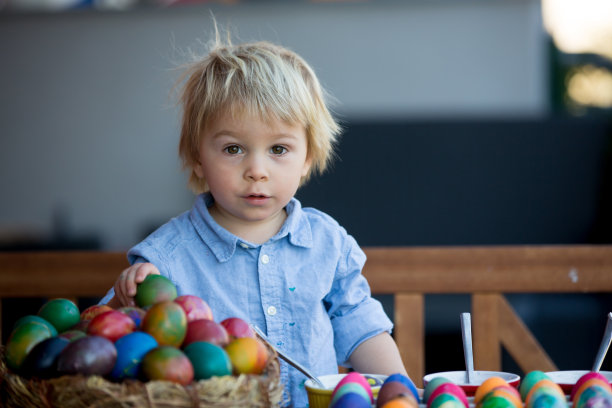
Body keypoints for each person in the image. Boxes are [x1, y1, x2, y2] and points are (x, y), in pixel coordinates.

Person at [100, 29, 409, 407]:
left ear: (307, 156)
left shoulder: (327, 243)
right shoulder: (166, 259)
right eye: (233, 149)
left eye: (279, 148)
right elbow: (104, 336)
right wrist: (126, 298)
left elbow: (362, 330)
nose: (257, 170)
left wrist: (401, 392)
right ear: (198, 156)